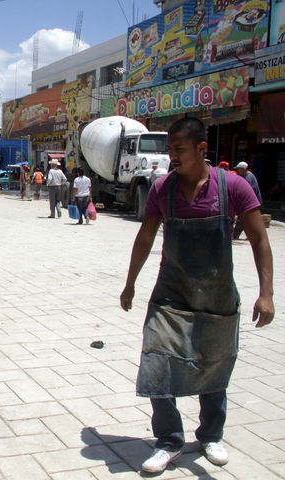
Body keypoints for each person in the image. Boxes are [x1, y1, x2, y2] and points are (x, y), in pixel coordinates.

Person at [120, 117, 274, 475]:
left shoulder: (233, 186)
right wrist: (130, 284)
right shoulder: (163, 189)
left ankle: (210, 435)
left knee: (214, 365)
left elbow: (259, 239)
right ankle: (169, 440)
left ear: (202, 148)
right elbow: (145, 237)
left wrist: (266, 294)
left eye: (179, 149)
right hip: (170, 297)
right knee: (156, 363)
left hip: (216, 299)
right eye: (169, 149)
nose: (172, 156)